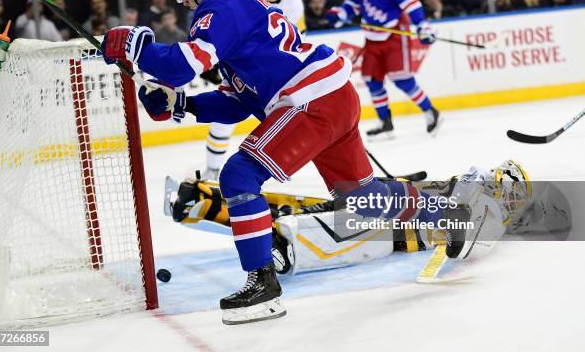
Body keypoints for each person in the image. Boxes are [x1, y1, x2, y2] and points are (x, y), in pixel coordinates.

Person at [101, 0, 477, 325]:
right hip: (330, 96)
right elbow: (236, 103)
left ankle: (263, 285)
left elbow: (182, 65)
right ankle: (446, 213)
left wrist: (138, 46)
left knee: (238, 175)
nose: (185, 1)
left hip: (309, 101)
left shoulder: (221, 8)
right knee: (361, 199)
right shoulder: (240, 11)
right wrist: (182, 104)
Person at [167, 160, 570, 275]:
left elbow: (461, 241)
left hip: (394, 218)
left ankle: (208, 203)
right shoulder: (482, 196)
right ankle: (207, 201)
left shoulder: (483, 198)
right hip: (392, 218)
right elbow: (459, 238)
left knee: (315, 216)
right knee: (313, 215)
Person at [200, 0, 307, 180]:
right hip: (245, 72)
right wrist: (217, 63)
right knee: (224, 118)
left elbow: (298, 39)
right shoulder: (246, 1)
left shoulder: (293, 1)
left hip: (279, 76)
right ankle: (212, 170)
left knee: (301, 117)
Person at [326, 0, 441, 139]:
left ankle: (431, 111)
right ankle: (385, 122)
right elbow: (352, 4)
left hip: (394, 34)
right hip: (372, 37)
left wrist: (422, 25)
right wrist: (341, 14)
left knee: (402, 79)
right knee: (372, 80)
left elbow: (411, 4)